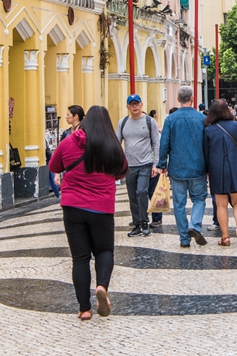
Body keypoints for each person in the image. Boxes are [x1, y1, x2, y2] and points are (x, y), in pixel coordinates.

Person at [48, 105, 128, 321]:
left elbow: (54, 164)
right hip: (102, 207)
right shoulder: (111, 144)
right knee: (104, 251)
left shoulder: (69, 141)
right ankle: (102, 286)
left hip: (73, 207)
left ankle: (84, 309)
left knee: (80, 258)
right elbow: (122, 169)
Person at [155, 86, 209, 248]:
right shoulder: (201, 119)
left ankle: (184, 238)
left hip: (177, 168)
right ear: (192, 98)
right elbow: (207, 144)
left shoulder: (170, 119)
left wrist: (162, 164)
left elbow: (164, 144)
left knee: (179, 204)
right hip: (198, 166)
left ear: (178, 100)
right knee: (199, 199)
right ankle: (195, 225)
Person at [202, 99, 237, 246]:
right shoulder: (235, 126)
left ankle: (225, 237)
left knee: (221, 204)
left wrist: (206, 170)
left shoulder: (208, 129)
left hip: (216, 168)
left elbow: (206, 153)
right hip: (236, 166)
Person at [117, 94, 160, 238]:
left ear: (141, 105)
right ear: (128, 107)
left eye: (137, 104)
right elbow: (117, 143)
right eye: (132, 104)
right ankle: (136, 224)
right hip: (129, 166)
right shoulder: (123, 123)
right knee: (132, 195)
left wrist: (156, 164)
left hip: (145, 164)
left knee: (142, 191)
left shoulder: (149, 122)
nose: (135, 106)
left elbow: (156, 143)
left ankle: (144, 222)